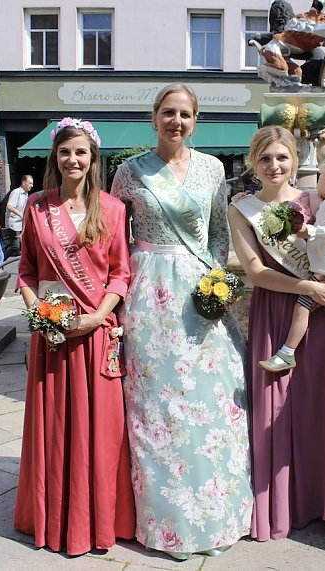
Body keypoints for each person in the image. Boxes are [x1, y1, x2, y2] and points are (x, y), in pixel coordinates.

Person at [111, 84, 252, 558]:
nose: (176, 121)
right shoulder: (129, 171)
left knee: (209, 400)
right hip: (149, 294)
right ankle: (167, 524)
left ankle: (216, 514)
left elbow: (217, 236)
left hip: (198, 293)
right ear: (154, 117)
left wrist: (215, 286)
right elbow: (115, 238)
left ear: (195, 121)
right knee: (158, 406)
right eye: (168, 112)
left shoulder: (212, 168)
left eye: (185, 114)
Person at [13, 118, 136, 555]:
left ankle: (97, 521)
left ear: (92, 158)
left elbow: (121, 274)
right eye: (65, 151)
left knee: (101, 432)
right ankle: (53, 518)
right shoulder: (37, 207)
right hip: (52, 335)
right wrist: (41, 314)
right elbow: (26, 270)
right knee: (55, 429)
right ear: (55, 156)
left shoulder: (113, 209)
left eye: (80, 152)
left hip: (95, 333)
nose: (73, 159)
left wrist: (97, 317)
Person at [229, 125, 325, 541]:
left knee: (321, 405)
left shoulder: (315, 200)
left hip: (321, 314)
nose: (274, 165)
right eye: (265, 158)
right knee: (274, 407)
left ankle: (323, 501)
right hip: (278, 311)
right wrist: (307, 287)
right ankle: (278, 506)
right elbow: (255, 271)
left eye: (282, 157)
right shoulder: (242, 209)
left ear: (294, 161)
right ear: (253, 163)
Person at [258, 149, 325, 372]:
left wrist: (309, 231)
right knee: (308, 305)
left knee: (302, 307)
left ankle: (286, 353)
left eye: (320, 175)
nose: (317, 182)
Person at [4, 174, 34, 257]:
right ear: (24, 183)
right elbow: (10, 206)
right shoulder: (16, 192)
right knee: (15, 246)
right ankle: (1, 258)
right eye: (30, 183)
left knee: (23, 245)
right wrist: (21, 215)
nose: (32, 185)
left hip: (21, 223)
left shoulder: (26, 194)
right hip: (13, 223)